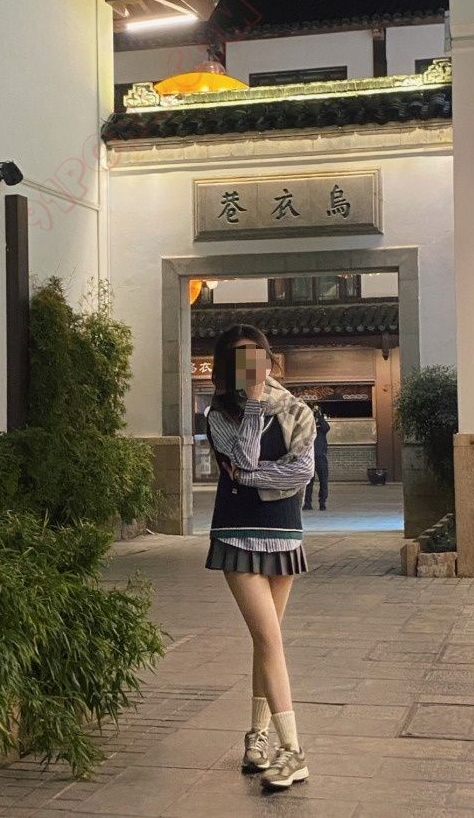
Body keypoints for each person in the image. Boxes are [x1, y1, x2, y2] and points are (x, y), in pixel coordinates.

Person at [205, 324, 315, 791]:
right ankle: (294, 751)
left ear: (269, 359)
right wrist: (252, 405)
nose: (251, 364)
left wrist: (252, 479)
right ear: (226, 365)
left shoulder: (296, 410)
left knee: (264, 641)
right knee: (269, 639)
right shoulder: (220, 414)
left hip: (284, 534)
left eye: (257, 354)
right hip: (237, 533)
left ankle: (258, 735)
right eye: (239, 356)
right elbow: (244, 460)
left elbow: (302, 472)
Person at [303, 404, 330, 511]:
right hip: (309, 457)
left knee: (323, 481)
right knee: (308, 482)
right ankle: (307, 503)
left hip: (321, 457)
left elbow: (326, 427)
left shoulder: (321, 425)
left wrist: (319, 415)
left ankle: (322, 502)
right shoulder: (307, 424)